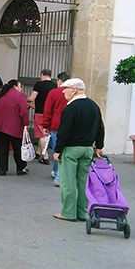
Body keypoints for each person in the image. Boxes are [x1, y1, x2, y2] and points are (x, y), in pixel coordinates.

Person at [52, 78, 105, 222]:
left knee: (68, 182)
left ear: (74, 90)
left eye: (66, 89)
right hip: (87, 149)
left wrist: (58, 150)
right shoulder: (94, 106)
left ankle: (68, 212)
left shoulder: (71, 108)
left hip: (71, 149)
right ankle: (82, 212)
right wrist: (99, 146)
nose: (63, 92)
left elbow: (64, 131)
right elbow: (100, 127)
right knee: (83, 182)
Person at [0, 80, 30, 176]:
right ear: (15, 86)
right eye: (20, 86)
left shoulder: (1, 95)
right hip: (15, 126)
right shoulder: (20, 96)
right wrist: (26, 123)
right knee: (18, 148)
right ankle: (21, 167)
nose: (20, 88)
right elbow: (24, 111)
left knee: (1, 148)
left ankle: (2, 169)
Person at [42, 72, 71, 187]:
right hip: (68, 126)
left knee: (56, 148)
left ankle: (56, 171)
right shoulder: (72, 93)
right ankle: (60, 172)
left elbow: (48, 110)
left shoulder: (53, 93)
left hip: (55, 125)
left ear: (59, 81)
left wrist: (45, 125)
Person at [27, 68, 57, 161]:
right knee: (46, 133)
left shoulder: (38, 85)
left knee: (42, 134)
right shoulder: (54, 86)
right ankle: (38, 152)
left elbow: (32, 98)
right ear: (51, 76)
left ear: (41, 75)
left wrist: (25, 99)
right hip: (51, 113)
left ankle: (45, 156)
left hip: (40, 112)